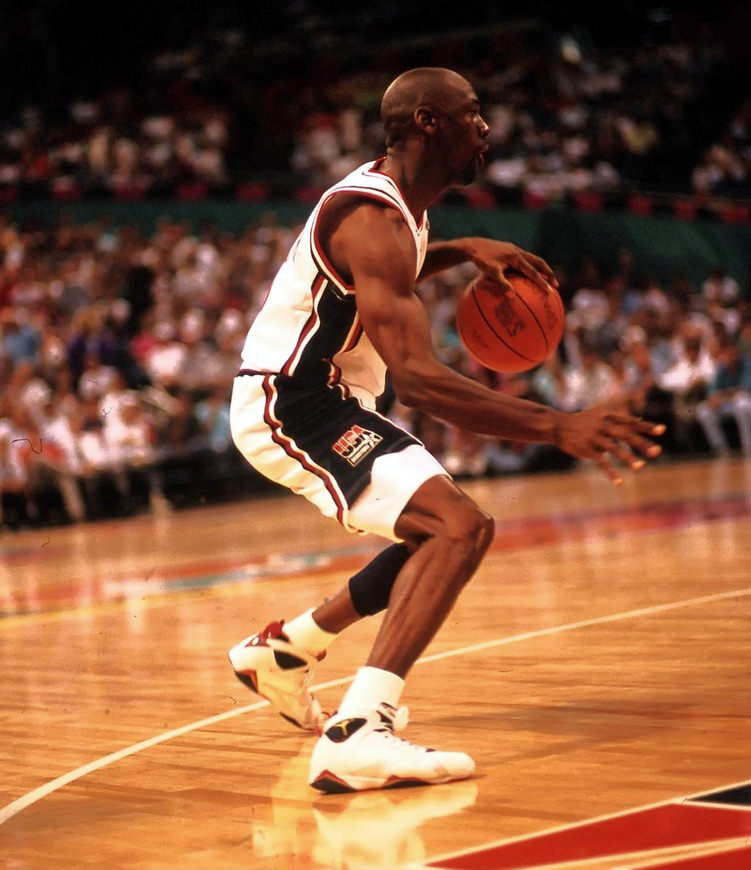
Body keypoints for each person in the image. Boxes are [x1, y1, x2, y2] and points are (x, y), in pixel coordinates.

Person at [227, 67, 664, 794]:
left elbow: (390, 273)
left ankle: (287, 649)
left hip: (329, 399)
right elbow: (423, 379)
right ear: (428, 123)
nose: (485, 128)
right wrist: (557, 427)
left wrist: (461, 251)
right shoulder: (373, 218)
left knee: (446, 531)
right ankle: (356, 733)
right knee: (455, 526)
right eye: (473, 114)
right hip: (293, 403)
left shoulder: (398, 211)